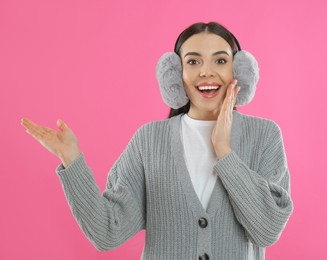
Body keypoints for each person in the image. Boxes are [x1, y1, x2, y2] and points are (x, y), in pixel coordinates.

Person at [21, 22, 293, 260]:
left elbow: (267, 228)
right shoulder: (149, 141)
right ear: (175, 76)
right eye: (193, 61)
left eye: (220, 61)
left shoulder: (265, 136)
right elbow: (107, 231)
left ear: (239, 70)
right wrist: (72, 160)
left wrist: (224, 151)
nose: (206, 72)